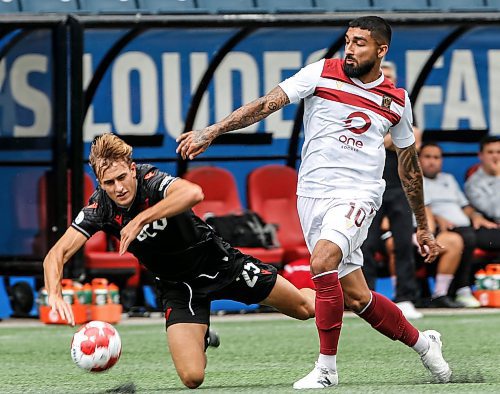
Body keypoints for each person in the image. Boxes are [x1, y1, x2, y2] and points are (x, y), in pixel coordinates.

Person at [177, 16, 451, 388]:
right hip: (311, 195)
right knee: (356, 297)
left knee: (321, 260)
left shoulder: (397, 102)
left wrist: (422, 225)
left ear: (381, 50)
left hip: (357, 194)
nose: (350, 49)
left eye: (359, 43)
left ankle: (326, 369)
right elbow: (266, 104)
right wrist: (213, 130)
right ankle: (425, 344)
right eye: (348, 41)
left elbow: (409, 166)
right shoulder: (321, 72)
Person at [43, 133, 316, 389]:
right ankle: (202, 336)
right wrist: (54, 293)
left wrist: (139, 219)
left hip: (221, 265)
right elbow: (56, 254)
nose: (118, 188)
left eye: (122, 177)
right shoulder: (100, 207)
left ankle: (335, 290)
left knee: (305, 309)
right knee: (192, 378)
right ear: (100, 183)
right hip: (179, 288)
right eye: (109, 183)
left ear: (132, 167)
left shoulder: (151, 179)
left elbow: (193, 194)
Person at [361, 60, 422, 320]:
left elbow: (415, 138)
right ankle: (366, 295)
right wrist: (394, 140)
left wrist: (388, 141)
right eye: (380, 72)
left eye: (388, 74)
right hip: (371, 184)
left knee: (403, 243)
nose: (384, 77)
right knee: (366, 243)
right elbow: (368, 142)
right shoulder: (363, 102)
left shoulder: (400, 102)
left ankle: (406, 296)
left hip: (399, 187)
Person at [419, 142, 498, 307]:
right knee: (468, 237)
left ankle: (463, 288)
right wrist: (437, 217)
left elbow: (465, 206)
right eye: (427, 157)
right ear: (418, 159)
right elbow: (420, 208)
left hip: (464, 225)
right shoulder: (416, 180)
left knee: (475, 234)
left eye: (436, 157)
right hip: (440, 227)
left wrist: (475, 216)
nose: (432, 161)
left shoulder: (448, 179)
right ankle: (462, 289)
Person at [465, 135, 500, 225]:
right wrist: (497, 176)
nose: (495, 156)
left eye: (499, 152)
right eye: (490, 152)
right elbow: (495, 212)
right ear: (480, 155)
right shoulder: (473, 183)